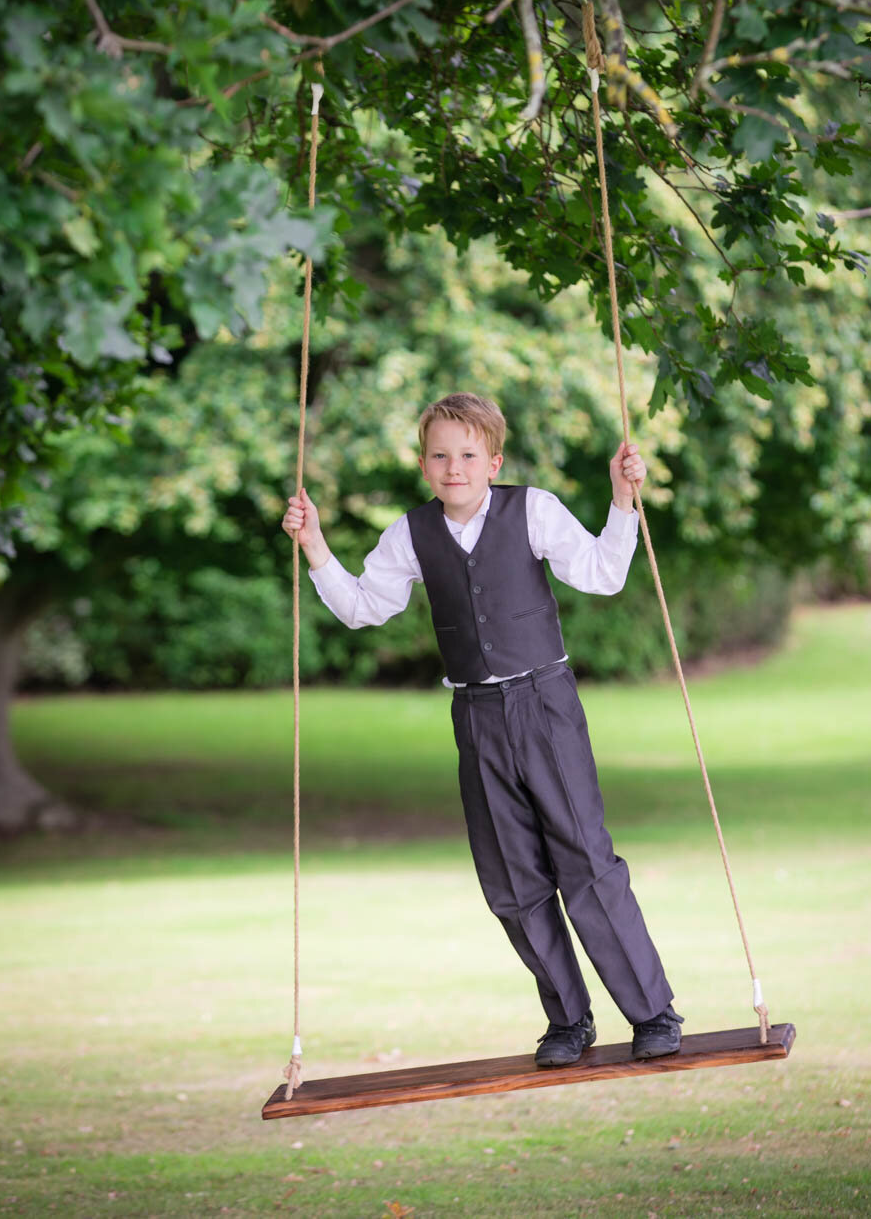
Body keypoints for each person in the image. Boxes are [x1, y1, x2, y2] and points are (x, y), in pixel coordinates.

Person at [282, 392, 682, 1067]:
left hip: (545, 706)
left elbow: (604, 575)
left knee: (585, 861)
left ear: (493, 461)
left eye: (468, 454)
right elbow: (360, 609)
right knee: (510, 877)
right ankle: (568, 1022)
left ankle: (651, 1013)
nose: (454, 466)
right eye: (440, 455)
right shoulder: (411, 533)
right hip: (476, 715)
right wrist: (314, 543)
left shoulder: (533, 510)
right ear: (422, 465)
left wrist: (622, 500)